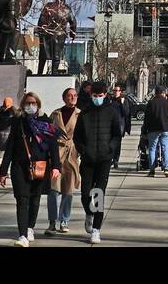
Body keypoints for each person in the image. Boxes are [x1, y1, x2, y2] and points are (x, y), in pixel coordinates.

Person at [0, 92, 61, 245]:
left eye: (33, 103)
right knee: (22, 199)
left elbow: (53, 146)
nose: (30, 106)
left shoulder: (46, 123)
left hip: (40, 166)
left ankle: (30, 227)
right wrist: (3, 171)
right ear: (23, 105)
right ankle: (22, 235)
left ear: (38, 105)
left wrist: (56, 166)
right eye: (28, 103)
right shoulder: (17, 122)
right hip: (19, 166)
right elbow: (10, 146)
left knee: (34, 199)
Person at [74, 82, 122, 244]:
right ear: (91, 95)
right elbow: (77, 136)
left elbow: (117, 134)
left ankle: (96, 229)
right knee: (85, 193)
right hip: (87, 159)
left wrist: (111, 148)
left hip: (104, 159)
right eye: (95, 96)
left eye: (100, 96)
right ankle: (89, 213)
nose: (97, 99)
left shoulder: (112, 112)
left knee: (99, 193)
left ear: (105, 95)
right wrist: (82, 150)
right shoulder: (85, 113)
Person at [48, 88, 80, 233]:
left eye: (74, 95)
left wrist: (79, 150)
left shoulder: (80, 115)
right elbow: (47, 133)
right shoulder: (55, 114)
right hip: (56, 155)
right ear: (64, 98)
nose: (72, 98)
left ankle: (64, 220)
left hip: (72, 155)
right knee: (53, 190)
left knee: (68, 191)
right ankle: (52, 222)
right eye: (69, 95)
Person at [143, 86, 168, 176]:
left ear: (155, 93)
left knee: (152, 149)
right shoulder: (167, 103)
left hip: (153, 129)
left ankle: (152, 170)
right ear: (163, 92)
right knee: (165, 148)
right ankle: (166, 168)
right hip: (165, 129)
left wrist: (144, 131)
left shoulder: (151, 103)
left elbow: (147, 118)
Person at [108, 84, 133, 167]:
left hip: (119, 125)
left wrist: (122, 104)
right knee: (109, 143)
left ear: (120, 92)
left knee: (117, 144)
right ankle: (110, 158)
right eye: (114, 91)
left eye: (117, 91)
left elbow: (126, 113)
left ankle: (115, 160)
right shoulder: (110, 100)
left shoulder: (123, 100)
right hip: (110, 125)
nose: (115, 92)